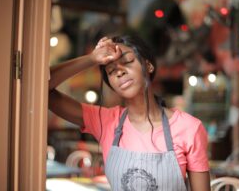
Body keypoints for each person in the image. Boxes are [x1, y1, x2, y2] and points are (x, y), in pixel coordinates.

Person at [49, 35, 211, 191]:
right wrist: (91, 59)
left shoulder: (189, 128)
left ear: (148, 65)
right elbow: (43, 87)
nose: (119, 72)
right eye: (111, 71)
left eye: (127, 61)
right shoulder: (105, 121)